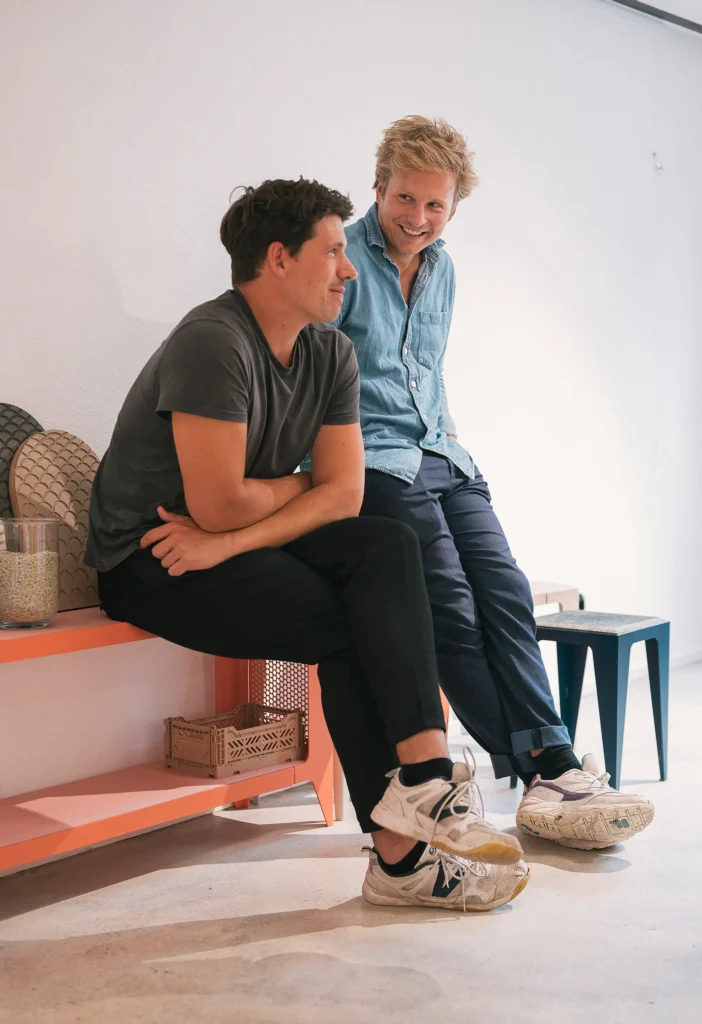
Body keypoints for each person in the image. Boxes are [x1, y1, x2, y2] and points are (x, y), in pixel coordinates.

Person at [85, 177, 529, 912]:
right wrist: (297, 490)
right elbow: (220, 502)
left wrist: (234, 539)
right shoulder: (212, 342)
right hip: (152, 555)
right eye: (332, 251)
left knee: (386, 542)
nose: (349, 267)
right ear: (278, 259)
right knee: (358, 626)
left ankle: (421, 777)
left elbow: (343, 497)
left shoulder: (330, 352)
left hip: (217, 546)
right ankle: (404, 855)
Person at [331, 116, 654, 851]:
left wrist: (448, 448)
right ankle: (549, 766)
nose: (418, 218)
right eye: (405, 198)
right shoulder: (342, 261)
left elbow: (427, 374)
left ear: (453, 207)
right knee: (448, 601)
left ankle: (548, 768)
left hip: (446, 454)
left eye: (435, 205)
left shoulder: (443, 267)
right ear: (379, 186)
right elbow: (324, 383)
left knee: (504, 587)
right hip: (375, 459)